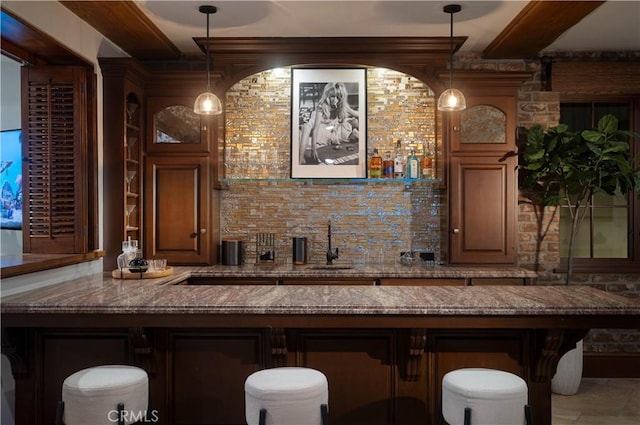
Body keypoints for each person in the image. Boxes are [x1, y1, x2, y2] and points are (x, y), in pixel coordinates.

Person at [299, 82, 359, 164]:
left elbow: (357, 114)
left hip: (330, 128)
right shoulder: (322, 106)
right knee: (306, 127)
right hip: (317, 125)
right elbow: (315, 129)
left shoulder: (342, 106)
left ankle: (354, 132)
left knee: (355, 122)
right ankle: (300, 159)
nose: (335, 100)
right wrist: (314, 149)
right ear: (327, 96)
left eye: (338, 97)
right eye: (332, 97)